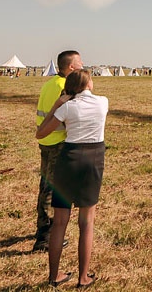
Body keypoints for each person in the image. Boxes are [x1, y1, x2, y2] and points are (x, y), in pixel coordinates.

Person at [36, 69, 107, 287]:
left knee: (59, 222)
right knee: (87, 222)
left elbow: (40, 133)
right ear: (88, 84)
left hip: (68, 159)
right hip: (93, 159)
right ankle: (83, 277)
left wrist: (57, 105)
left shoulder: (66, 107)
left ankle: (54, 276)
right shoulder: (103, 102)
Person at [33, 50, 83, 252]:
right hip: (57, 143)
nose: (83, 64)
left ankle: (43, 228)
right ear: (71, 67)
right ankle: (45, 236)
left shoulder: (50, 83)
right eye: (80, 62)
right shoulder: (65, 88)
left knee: (45, 185)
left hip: (47, 141)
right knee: (52, 189)